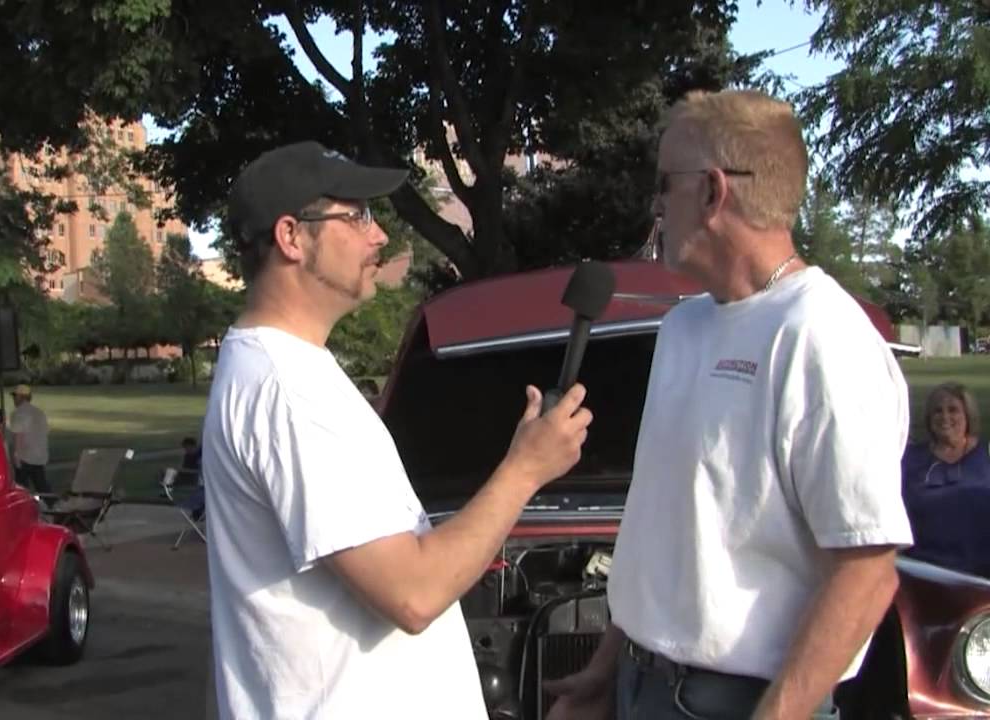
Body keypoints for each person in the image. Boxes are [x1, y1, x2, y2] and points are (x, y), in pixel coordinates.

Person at [547, 89, 913, 720]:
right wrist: (609, 669)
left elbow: (867, 570)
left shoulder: (821, 338)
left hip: (744, 702)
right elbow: (667, 529)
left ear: (713, 193)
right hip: (642, 683)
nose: (656, 204)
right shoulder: (682, 327)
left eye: (665, 184)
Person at [201, 140, 593, 719]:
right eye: (356, 216)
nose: (378, 235)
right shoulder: (288, 391)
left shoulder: (284, 372)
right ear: (291, 237)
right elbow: (412, 594)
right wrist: (525, 470)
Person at [899, 383, 990, 576]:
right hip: (923, 571)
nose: (945, 417)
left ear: (967, 415)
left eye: (953, 410)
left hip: (981, 575)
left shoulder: (985, 456)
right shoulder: (909, 460)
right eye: (937, 411)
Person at [9, 384, 51, 495]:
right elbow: (45, 432)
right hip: (40, 456)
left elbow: (18, 435)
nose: (13, 399)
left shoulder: (18, 413)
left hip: (25, 457)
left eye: (15, 396)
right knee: (41, 485)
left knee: (21, 488)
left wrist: (16, 456)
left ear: (21, 397)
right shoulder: (39, 413)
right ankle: (51, 505)